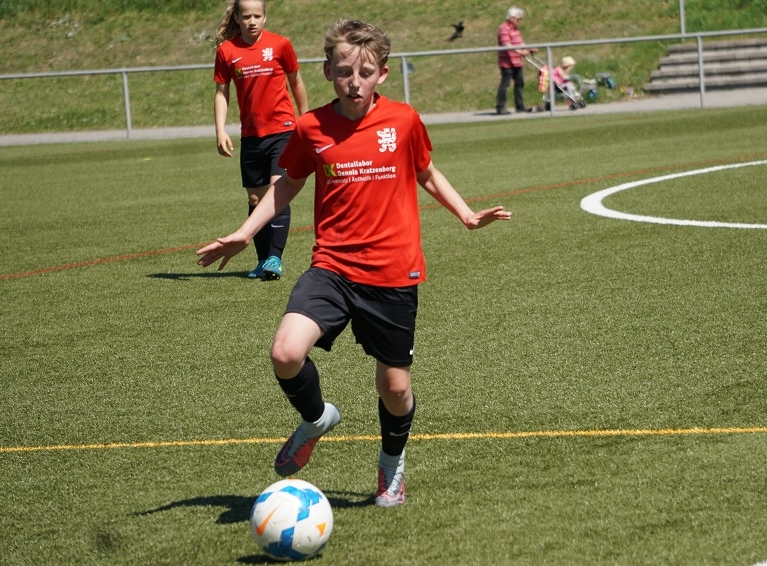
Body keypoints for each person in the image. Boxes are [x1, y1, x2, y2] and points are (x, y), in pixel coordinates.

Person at [197, 19, 512, 507]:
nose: (354, 82)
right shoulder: (310, 127)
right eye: (344, 72)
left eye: (365, 73)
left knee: (395, 388)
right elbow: (287, 182)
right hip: (332, 267)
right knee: (285, 352)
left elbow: (426, 172)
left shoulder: (403, 120)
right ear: (328, 71)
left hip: (393, 272)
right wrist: (245, 232)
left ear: (382, 73)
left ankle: (391, 465)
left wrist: (466, 215)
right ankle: (316, 418)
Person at [213, 0, 308, 280]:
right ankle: (263, 259)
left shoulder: (280, 45)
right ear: (237, 18)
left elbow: (296, 82)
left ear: (265, 17)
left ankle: (275, 258)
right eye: (246, 17)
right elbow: (221, 92)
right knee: (256, 199)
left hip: (283, 131)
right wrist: (220, 130)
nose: (252, 21)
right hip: (252, 136)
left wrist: (305, 120)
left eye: (257, 16)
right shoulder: (227, 51)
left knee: (278, 191)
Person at [496, 6, 536, 115]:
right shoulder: (504, 28)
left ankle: (520, 106)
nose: (520, 21)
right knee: (505, 84)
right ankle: (500, 107)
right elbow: (506, 44)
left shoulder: (515, 29)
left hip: (516, 62)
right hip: (507, 62)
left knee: (520, 83)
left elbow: (520, 43)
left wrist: (529, 49)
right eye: (518, 19)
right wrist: (520, 52)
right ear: (511, 18)